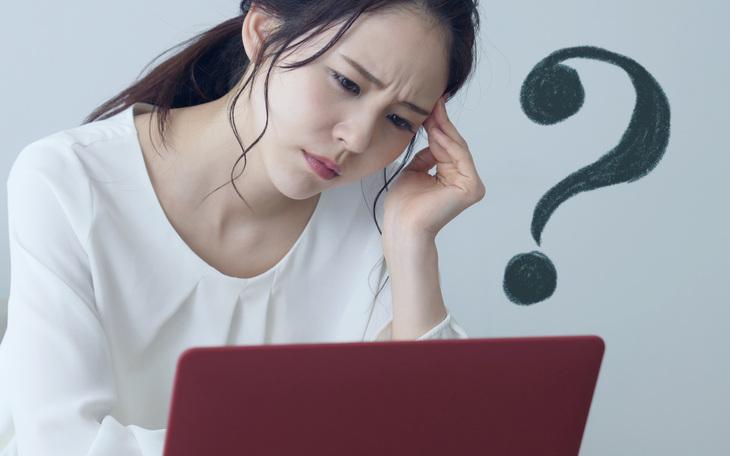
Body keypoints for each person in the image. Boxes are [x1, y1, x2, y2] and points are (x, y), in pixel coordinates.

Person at [0, 0, 482, 453]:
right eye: (347, 83)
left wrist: (412, 243)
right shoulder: (71, 179)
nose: (356, 139)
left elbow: (440, 436)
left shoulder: (380, 208)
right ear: (263, 32)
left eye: (399, 120)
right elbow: (62, 444)